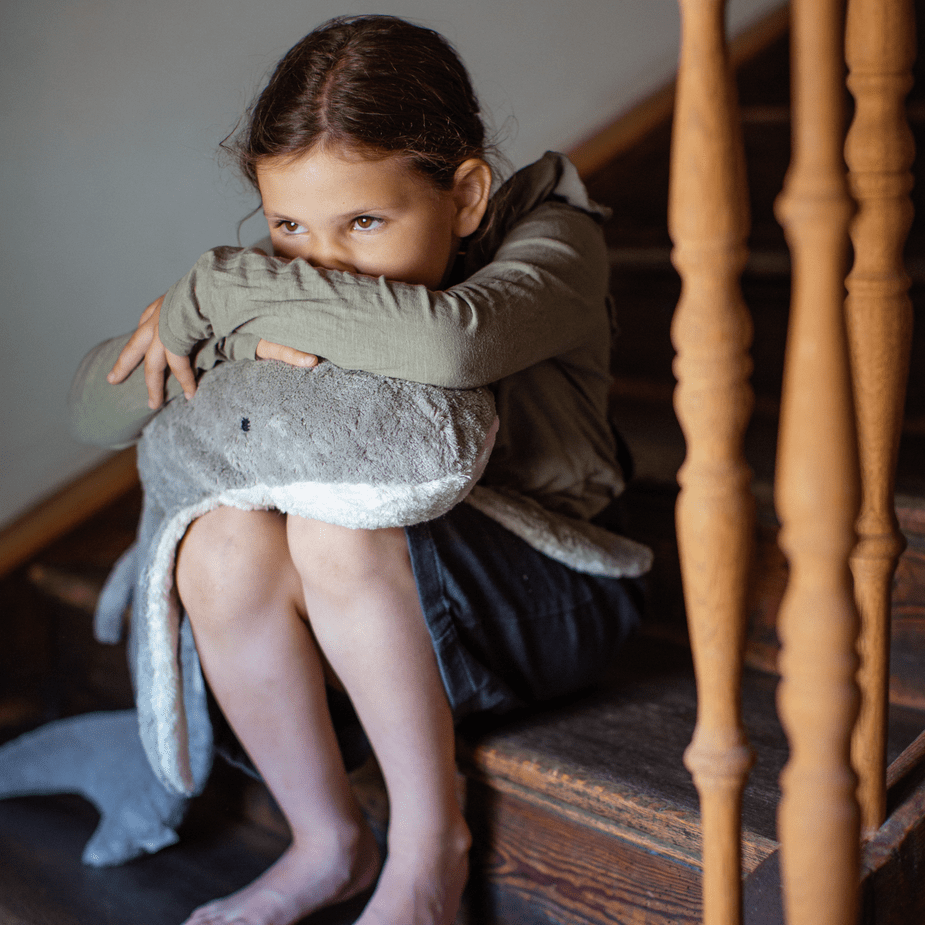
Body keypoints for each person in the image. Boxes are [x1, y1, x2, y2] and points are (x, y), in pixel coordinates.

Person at [68, 15, 648, 925]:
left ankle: (428, 853)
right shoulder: (281, 276)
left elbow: (454, 347)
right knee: (218, 539)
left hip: (555, 595)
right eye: (289, 224)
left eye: (364, 221)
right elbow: (91, 411)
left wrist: (220, 298)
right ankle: (327, 841)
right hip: (392, 622)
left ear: (463, 196)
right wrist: (218, 313)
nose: (325, 261)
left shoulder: (553, 242)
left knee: (335, 518)